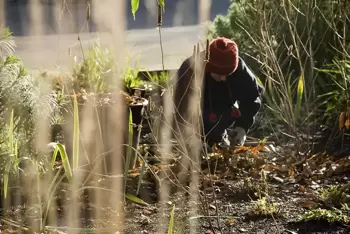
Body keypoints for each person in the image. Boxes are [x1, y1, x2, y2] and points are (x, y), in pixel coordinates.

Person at [173, 36, 264, 150]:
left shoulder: (239, 69)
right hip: (197, 117)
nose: (224, 78)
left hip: (223, 114)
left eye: (228, 74)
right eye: (219, 74)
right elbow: (179, 107)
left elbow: (252, 97)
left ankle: (219, 138)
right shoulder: (190, 70)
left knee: (219, 145)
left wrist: (242, 126)